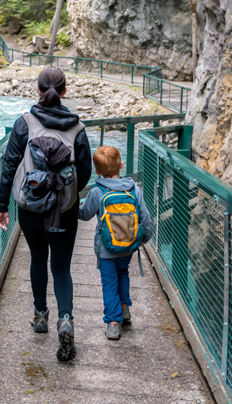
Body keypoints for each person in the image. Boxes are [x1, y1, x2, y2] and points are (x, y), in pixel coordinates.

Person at [0, 67, 92, 362]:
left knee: (38, 258)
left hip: (31, 206)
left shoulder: (24, 123)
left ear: (37, 90)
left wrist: (2, 205)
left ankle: (40, 316)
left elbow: (9, 165)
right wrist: (67, 195)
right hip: (63, 210)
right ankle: (66, 319)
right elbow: (85, 172)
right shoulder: (77, 128)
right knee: (61, 267)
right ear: (65, 91)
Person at [79, 145, 152, 340]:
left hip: (106, 249)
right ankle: (124, 308)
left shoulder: (97, 191)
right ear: (121, 165)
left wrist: (71, 208)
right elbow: (145, 219)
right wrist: (144, 238)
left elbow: (85, 215)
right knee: (123, 273)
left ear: (96, 171)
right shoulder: (134, 189)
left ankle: (113, 322)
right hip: (129, 246)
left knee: (109, 283)